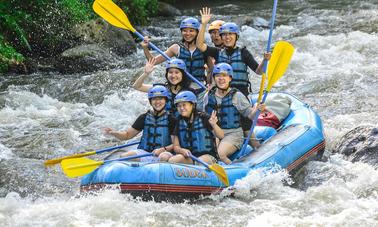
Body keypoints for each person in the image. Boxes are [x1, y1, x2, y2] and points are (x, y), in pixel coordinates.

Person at [197, 7, 270, 97]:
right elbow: (199, 45)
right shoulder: (217, 52)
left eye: (230, 34)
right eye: (224, 35)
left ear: (236, 37)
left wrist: (265, 60)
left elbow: (259, 72)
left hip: (241, 95)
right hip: (222, 95)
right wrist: (203, 24)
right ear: (221, 37)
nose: (227, 37)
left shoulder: (244, 52)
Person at [204, 63, 262, 164]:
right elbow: (202, 114)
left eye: (224, 75)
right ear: (214, 79)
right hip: (215, 133)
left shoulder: (237, 96)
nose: (221, 79)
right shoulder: (208, 96)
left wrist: (257, 110)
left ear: (230, 78)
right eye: (218, 76)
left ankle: (233, 172)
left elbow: (250, 115)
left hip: (233, 133)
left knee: (220, 154)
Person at [104, 85, 175, 162]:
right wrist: (114, 133)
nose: (157, 102)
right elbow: (127, 135)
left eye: (161, 99)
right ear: (150, 101)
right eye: (154, 99)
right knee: (125, 156)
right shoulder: (144, 117)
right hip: (145, 153)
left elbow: (175, 145)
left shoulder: (171, 119)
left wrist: (163, 149)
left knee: (163, 157)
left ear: (165, 100)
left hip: (164, 153)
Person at [140, 17, 213, 91]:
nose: (188, 33)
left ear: (197, 32)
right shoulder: (176, 48)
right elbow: (153, 61)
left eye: (191, 31)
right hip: (181, 86)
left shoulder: (204, 49)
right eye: (184, 31)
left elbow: (212, 69)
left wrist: (209, 84)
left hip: (199, 86)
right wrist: (145, 48)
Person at [168, 91, 224, 165]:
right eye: (179, 106)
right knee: (173, 160)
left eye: (184, 105)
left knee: (200, 161)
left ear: (193, 105)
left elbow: (221, 136)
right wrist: (182, 151)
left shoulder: (204, 118)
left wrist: (214, 125)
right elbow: (176, 146)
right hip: (191, 158)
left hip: (208, 157)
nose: (181, 108)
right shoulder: (179, 121)